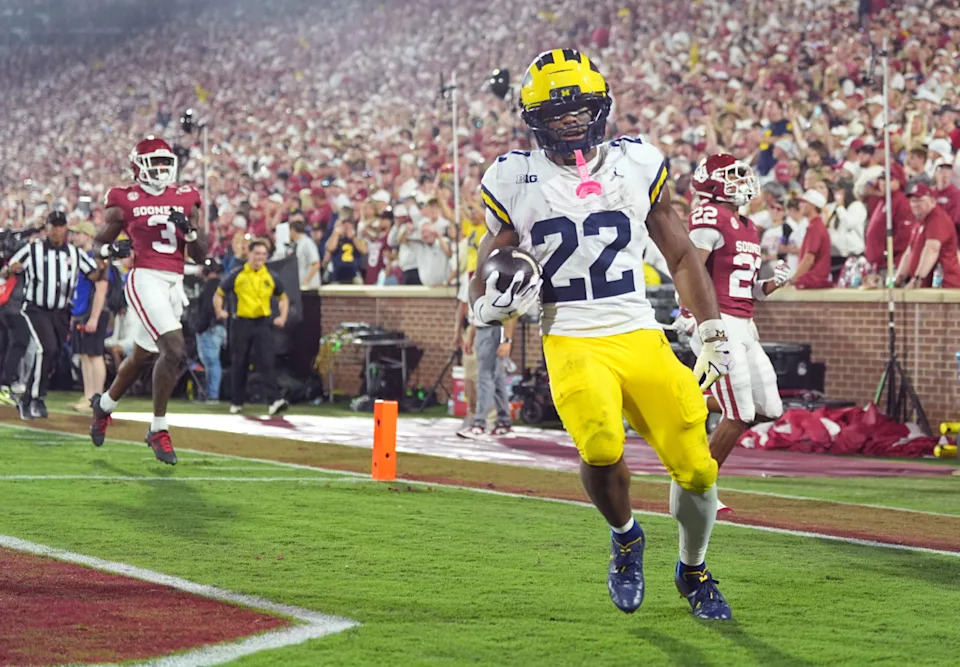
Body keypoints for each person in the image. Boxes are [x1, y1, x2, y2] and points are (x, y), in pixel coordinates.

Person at [471, 49, 733, 620]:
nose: (569, 120)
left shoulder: (637, 162)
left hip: (638, 329)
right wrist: (485, 306)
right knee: (600, 446)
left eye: (579, 108)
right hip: (570, 334)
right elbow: (487, 267)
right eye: (556, 111)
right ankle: (626, 536)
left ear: (602, 106)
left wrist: (710, 329)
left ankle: (694, 571)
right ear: (532, 117)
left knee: (696, 466)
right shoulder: (513, 177)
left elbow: (681, 252)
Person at [89, 137, 208, 465]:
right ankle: (158, 428)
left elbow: (202, 253)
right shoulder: (124, 199)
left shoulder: (186, 197)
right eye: (154, 163)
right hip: (144, 278)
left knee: (143, 356)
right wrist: (110, 251)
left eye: (164, 163)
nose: (160, 169)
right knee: (174, 349)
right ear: (138, 166)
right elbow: (99, 243)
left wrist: (192, 233)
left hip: (175, 282)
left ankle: (104, 406)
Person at [679, 154, 789, 490]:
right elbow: (690, 271)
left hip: (745, 322)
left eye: (742, 175)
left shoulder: (749, 226)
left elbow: (746, 289)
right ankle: (698, 486)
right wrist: (689, 313)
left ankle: (686, 399)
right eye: (732, 176)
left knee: (768, 408)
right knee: (739, 412)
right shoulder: (707, 215)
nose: (742, 182)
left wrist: (771, 285)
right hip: (718, 321)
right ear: (711, 182)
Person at [4, 211, 102, 420]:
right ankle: (38, 398)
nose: (57, 230)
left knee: (53, 354)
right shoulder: (33, 249)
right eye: (54, 226)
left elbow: (94, 274)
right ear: (46, 227)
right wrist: (11, 269)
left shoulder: (74, 253)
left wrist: (105, 261)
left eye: (61, 226)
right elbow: (6, 270)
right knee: (47, 348)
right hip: (36, 308)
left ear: (65, 228)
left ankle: (27, 399)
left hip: (61, 312)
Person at [213, 239, 289, 416]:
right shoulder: (237, 274)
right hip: (242, 323)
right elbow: (219, 293)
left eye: (263, 254)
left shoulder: (270, 276)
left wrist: (282, 316)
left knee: (267, 361)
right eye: (257, 254)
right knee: (240, 362)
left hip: (263, 323)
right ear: (249, 254)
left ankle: (274, 400)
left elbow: (283, 298)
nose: (260, 257)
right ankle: (237, 401)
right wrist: (219, 310)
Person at [68, 219, 110, 413]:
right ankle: (88, 395)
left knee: (94, 354)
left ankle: (96, 397)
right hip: (82, 310)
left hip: (92, 311)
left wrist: (94, 316)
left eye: (78, 233)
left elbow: (101, 288)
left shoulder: (96, 257)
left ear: (88, 236)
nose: (74, 237)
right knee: (85, 355)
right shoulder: (83, 256)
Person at [896, 183, 960, 288]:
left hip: (943, 285)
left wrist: (917, 278)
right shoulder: (920, 221)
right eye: (912, 201)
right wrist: (898, 278)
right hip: (927, 286)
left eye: (919, 200)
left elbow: (932, 249)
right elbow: (909, 252)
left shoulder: (937, 219)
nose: (915, 204)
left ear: (932, 201)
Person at [193, 258, 226, 402]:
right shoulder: (221, 284)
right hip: (217, 327)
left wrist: (200, 327)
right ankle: (211, 394)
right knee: (212, 362)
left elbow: (207, 309)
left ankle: (212, 395)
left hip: (210, 328)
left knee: (212, 362)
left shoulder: (210, 286)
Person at [792, 189, 833, 288]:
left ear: (812, 205)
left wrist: (793, 280)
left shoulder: (815, 227)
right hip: (812, 281)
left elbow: (809, 259)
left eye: (803, 202)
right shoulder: (815, 225)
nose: (799, 205)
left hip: (812, 281)